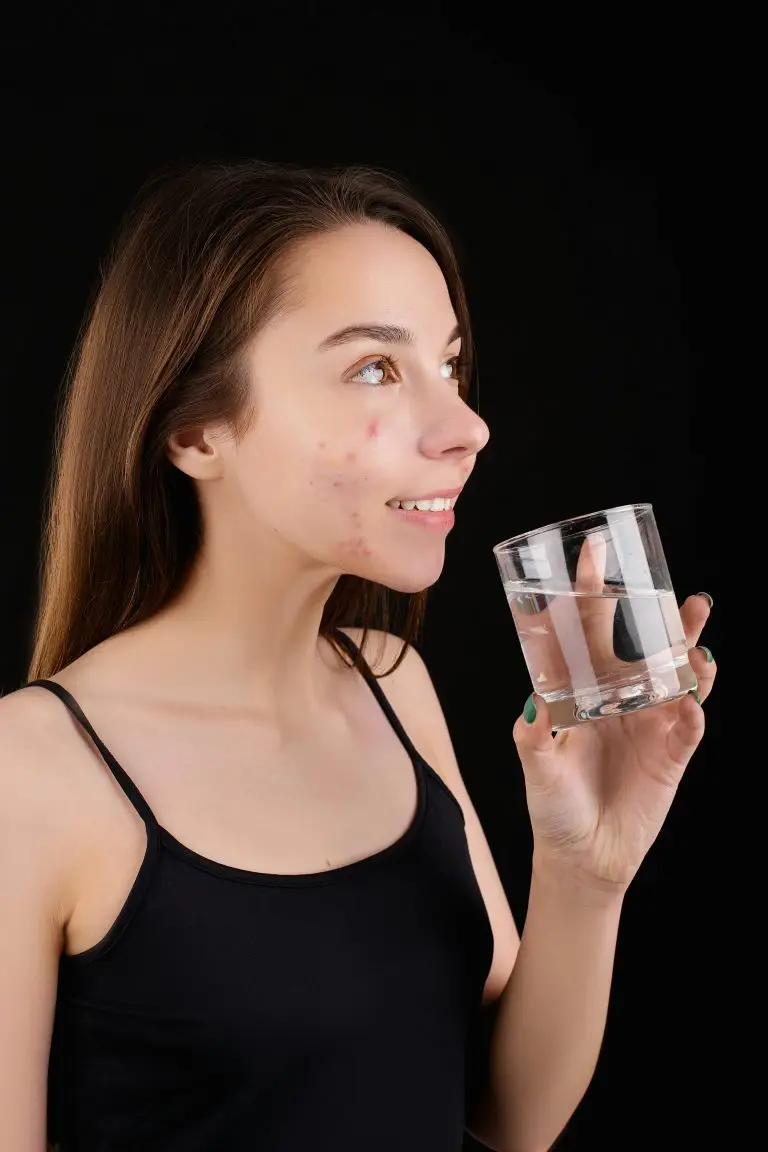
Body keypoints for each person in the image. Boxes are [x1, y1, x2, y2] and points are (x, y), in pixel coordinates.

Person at [0, 159, 716, 1152]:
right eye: (375, 368)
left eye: (451, 365)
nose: (467, 427)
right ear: (194, 431)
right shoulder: (33, 770)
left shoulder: (391, 683)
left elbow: (507, 1120)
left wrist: (583, 872)